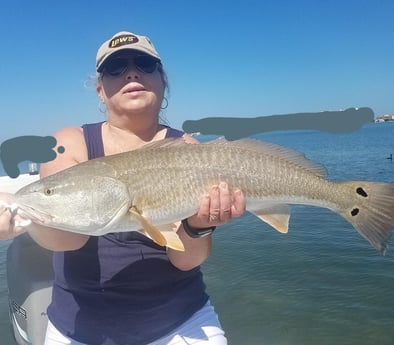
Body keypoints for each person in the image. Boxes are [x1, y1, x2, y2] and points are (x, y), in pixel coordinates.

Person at [0, 31, 246, 344]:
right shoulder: (69, 144)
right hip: (80, 331)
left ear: (162, 80)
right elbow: (69, 238)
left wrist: (199, 226)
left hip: (182, 322)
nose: (132, 72)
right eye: (115, 67)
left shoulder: (188, 149)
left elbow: (185, 260)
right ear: (101, 91)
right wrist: (25, 218)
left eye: (144, 63)